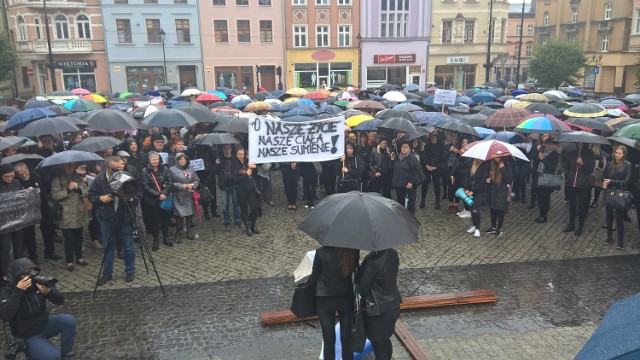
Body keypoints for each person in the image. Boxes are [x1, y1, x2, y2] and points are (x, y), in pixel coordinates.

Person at [0, 258, 77, 360]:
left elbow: (60, 300)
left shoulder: (39, 282)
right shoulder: (9, 290)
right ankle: (31, 351)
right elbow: (5, 315)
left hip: (44, 323)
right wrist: (18, 291)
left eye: (34, 271)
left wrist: (49, 292)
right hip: (27, 334)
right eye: (28, 273)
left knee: (69, 320)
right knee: (53, 356)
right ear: (19, 276)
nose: (32, 275)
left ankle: (66, 354)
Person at [89, 156, 141, 285]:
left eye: (121, 166)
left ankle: (130, 270)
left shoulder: (127, 177)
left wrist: (132, 199)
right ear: (108, 168)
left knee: (128, 246)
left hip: (125, 215)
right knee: (108, 246)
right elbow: (91, 195)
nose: (119, 169)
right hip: (107, 217)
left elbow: (138, 193)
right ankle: (107, 273)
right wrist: (100, 198)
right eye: (116, 168)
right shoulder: (100, 179)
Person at [309, 246, 359, 360]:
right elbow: (354, 271)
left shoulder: (321, 252)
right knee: (346, 337)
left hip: (325, 300)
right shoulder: (353, 251)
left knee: (328, 338)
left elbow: (314, 278)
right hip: (345, 299)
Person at [355, 248, 401, 360]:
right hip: (393, 306)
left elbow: (363, 290)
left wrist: (359, 272)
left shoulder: (372, 261)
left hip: (377, 311)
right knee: (385, 339)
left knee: (378, 344)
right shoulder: (393, 253)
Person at [51, 164, 90, 271]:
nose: (70, 169)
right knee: (68, 239)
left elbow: (86, 192)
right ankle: (69, 260)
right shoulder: (57, 180)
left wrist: (78, 188)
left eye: (72, 166)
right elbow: (54, 195)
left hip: (79, 212)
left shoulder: (80, 179)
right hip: (66, 213)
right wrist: (68, 189)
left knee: (79, 236)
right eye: (68, 167)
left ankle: (79, 257)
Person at [140, 151, 173, 250]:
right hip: (152, 200)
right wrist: (158, 194)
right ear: (149, 160)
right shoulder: (145, 171)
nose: (155, 161)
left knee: (165, 219)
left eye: (157, 159)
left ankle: (166, 237)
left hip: (164, 197)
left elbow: (170, 182)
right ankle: (156, 240)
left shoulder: (165, 168)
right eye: (153, 159)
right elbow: (145, 186)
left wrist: (164, 193)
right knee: (154, 221)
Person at [602, 145, 632, 250]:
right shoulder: (610, 164)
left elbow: (627, 181)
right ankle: (609, 237)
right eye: (616, 152)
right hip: (609, 192)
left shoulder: (628, 165)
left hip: (620, 194)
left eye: (620, 153)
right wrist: (605, 182)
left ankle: (620, 240)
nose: (617, 155)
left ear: (624, 154)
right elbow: (604, 175)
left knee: (619, 218)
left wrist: (611, 181)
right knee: (608, 216)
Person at [562, 143, 595, 236]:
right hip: (571, 183)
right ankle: (571, 223)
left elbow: (590, 170)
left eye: (581, 143)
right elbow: (566, 165)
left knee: (582, 206)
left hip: (584, 184)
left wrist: (582, 164)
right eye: (578, 143)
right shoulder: (570, 153)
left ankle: (580, 225)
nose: (579, 145)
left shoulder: (590, 154)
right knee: (572, 205)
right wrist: (568, 175)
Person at [0, 164, 25, 282]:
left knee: (18, 246)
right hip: (3, 223)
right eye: (6, 176)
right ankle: (3, 274)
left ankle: (19, 270)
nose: (10, 178)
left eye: (11, 175)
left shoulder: (16, 183)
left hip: (17, 221)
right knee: (4, 248)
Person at [229, 148, 261, 236]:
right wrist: (247, 174)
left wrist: (254, 168)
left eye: (242, 154)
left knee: (254, 208)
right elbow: (235, 179)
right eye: (239, 154)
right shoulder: (233, 165)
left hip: (251, 189)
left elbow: (255, 173)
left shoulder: (248, 162)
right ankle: (248, 227)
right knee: (244, 209)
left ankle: (253, 225)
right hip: (241, 189)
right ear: (236, 154)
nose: (241, 156)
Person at [169, 153, 200, 242]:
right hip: (179, 196)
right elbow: (171, 183)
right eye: (180, 159)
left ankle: (189, 231)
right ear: (177, 160)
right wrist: (183, 186)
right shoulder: (172, 170)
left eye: (184, 159)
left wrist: (193, 185)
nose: (182, 161)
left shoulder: (191, 168)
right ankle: (178, 233)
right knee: (180, 215)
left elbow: (197, 179)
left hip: (190, 195)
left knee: (189, 214)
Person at [390, 141, 422, 214]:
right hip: (398, 183)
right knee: (400, 201)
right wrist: (391, 160)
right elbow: (391, 169)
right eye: (402, 147)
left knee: (410, 201)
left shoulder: (412, 158)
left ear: (409, 148)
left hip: (408, 184)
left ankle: (411, 217)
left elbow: (416, 171)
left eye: (406, 147)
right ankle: (401, 216)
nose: (404, 149)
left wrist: (411, 182)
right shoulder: (397, 157)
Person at [533, 136, 560, 223]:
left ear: (552, 145)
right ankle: (541, 214)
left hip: (548, 177)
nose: (547, 146)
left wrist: (543, 159)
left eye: (549, 144)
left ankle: (544, 216)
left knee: (545, 197)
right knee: (540, 197)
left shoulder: (555, 155)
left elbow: (552, 167)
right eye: (546, 144)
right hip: (539, 175)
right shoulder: (542, 151)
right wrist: (538, 156)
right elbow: (536, 162)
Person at [485, 157, 513, 236]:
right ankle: (493, 227)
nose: (496, 158)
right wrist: (488, 180)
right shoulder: (491, 165)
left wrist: (502, 168)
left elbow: (508, 179)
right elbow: (488, 176)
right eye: (495, 156)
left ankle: (499, 228)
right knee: (492, 209)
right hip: (492, 190)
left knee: (500, 210)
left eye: (498, 156)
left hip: (502, 191)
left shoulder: (506, 165)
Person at [215, 144, 241, 227]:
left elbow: (239, 169)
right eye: (225, 149)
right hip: (224, 185)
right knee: (225, 204)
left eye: (228, 148)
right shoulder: (220, 159)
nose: (227, 150)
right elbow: (215, 172)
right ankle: (226, 220)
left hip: (234, 184)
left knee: (236, 203)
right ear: (222, 150)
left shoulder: (234, 158)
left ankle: (237, 220)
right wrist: (216, 164)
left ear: (230, 149)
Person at [464, 159, 489, 237]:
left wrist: (473, 191)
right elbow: (467, 177)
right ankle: (474, 226)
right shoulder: (471, 164)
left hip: (479, 191)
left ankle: (477, 229)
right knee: (471, 208)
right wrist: (466, 188)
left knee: (475, 209)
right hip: (470, 190)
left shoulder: (485, 166)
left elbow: (482, 182)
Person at [420, 132, 444, 209]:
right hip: (427, 167)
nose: (433, 139)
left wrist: (436, 167)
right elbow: (424, 157)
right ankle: (422, 200)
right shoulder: (427, 146)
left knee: (436, 185)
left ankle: (437, 201)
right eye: (432, 138)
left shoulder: (441, 147)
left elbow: (442, 159)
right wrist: (426, 165)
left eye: (435, 138)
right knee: (425, 184)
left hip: (436, 168)